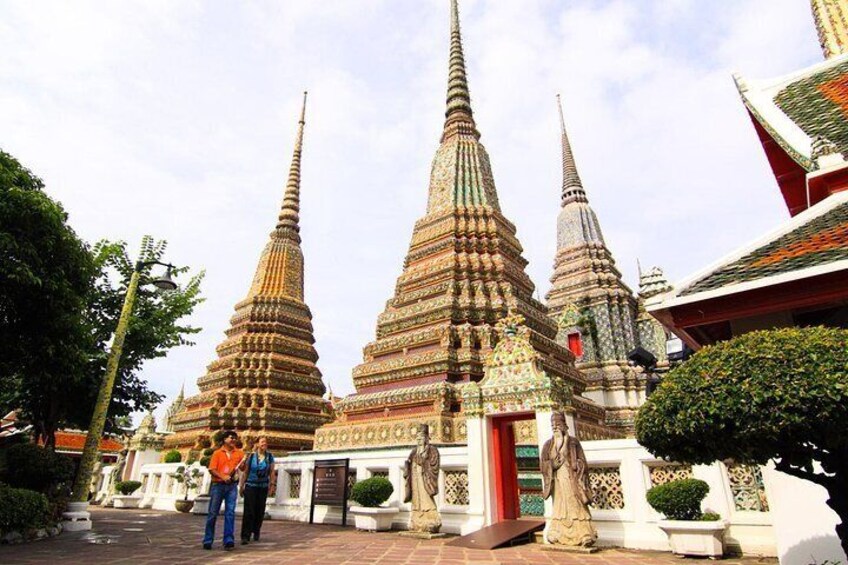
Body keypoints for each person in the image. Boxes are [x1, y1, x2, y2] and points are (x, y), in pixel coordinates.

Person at [540, 412, 597, 547]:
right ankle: (556, 533)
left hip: (572, 479)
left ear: (565, 425)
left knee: (576, 505)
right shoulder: (548, 445)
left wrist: (578, 465)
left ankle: (584, 534)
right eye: (553, 425)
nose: (555, 428)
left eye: (558, 424)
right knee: (559, 507)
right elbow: (543, 464)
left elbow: (582, 460)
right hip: (557, 481)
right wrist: (552, 465)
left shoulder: (573, 443)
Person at [203, 430, 245, 551]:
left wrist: (243, 464)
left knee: (230, 513)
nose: (233, 440)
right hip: (218, 485)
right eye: (231, 437)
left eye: (235, 438)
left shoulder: (239, 453)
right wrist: (223, 476)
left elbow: (243, 468)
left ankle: (228, 539)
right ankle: (208, 539)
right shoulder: (217, 453)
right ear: (224, 440)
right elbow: (212, 469)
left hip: (232, 486)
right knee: (212, 513)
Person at [403, 424, 441, 533]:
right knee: (416, 497)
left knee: (426, 496)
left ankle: (431, 518)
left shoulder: (432, 450)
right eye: (417, 438)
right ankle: (416, 518)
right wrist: (407, 467)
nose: (419, 441)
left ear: (426, 439)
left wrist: (423, 463)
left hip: (425, 478)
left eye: (421, 438)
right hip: (415, 478)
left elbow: (434, 464)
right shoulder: (414, 452)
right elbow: (409, 462)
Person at [239, 436, 276, 545]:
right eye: (262, 442)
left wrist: (272, 485)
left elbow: (272, 472)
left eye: (266, 442)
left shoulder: (269, 457)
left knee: (259, 511)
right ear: (257, 444)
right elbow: (246, 472)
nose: (265, 444)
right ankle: (245, 535)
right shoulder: (251, 457)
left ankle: (256, 531)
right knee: (249, 511)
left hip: (263, 486)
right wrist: (241, 486)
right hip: (251, 485)